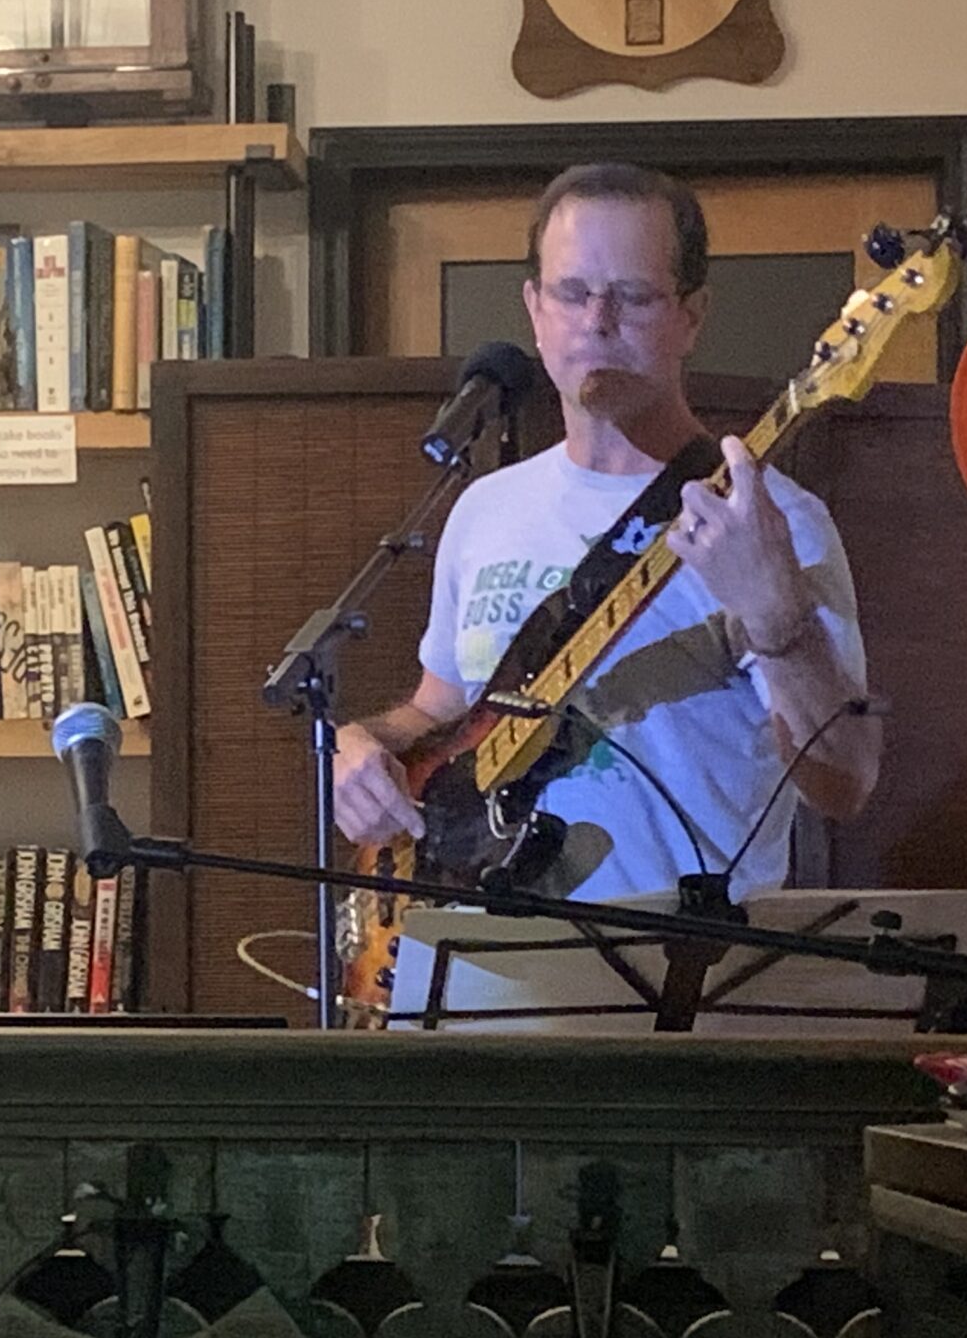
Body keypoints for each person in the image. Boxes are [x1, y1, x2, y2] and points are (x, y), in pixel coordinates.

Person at [331, 163, 879, 901]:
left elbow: (843, 784)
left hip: (671, 963)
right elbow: (441, 709)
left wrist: (776, 616)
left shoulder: (769, 521)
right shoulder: (484, 509)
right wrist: (362, 747)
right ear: (535, 309)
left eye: (634, 296)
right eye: (572, 292)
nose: (597, 321)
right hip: (468, 958)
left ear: (692, 315)